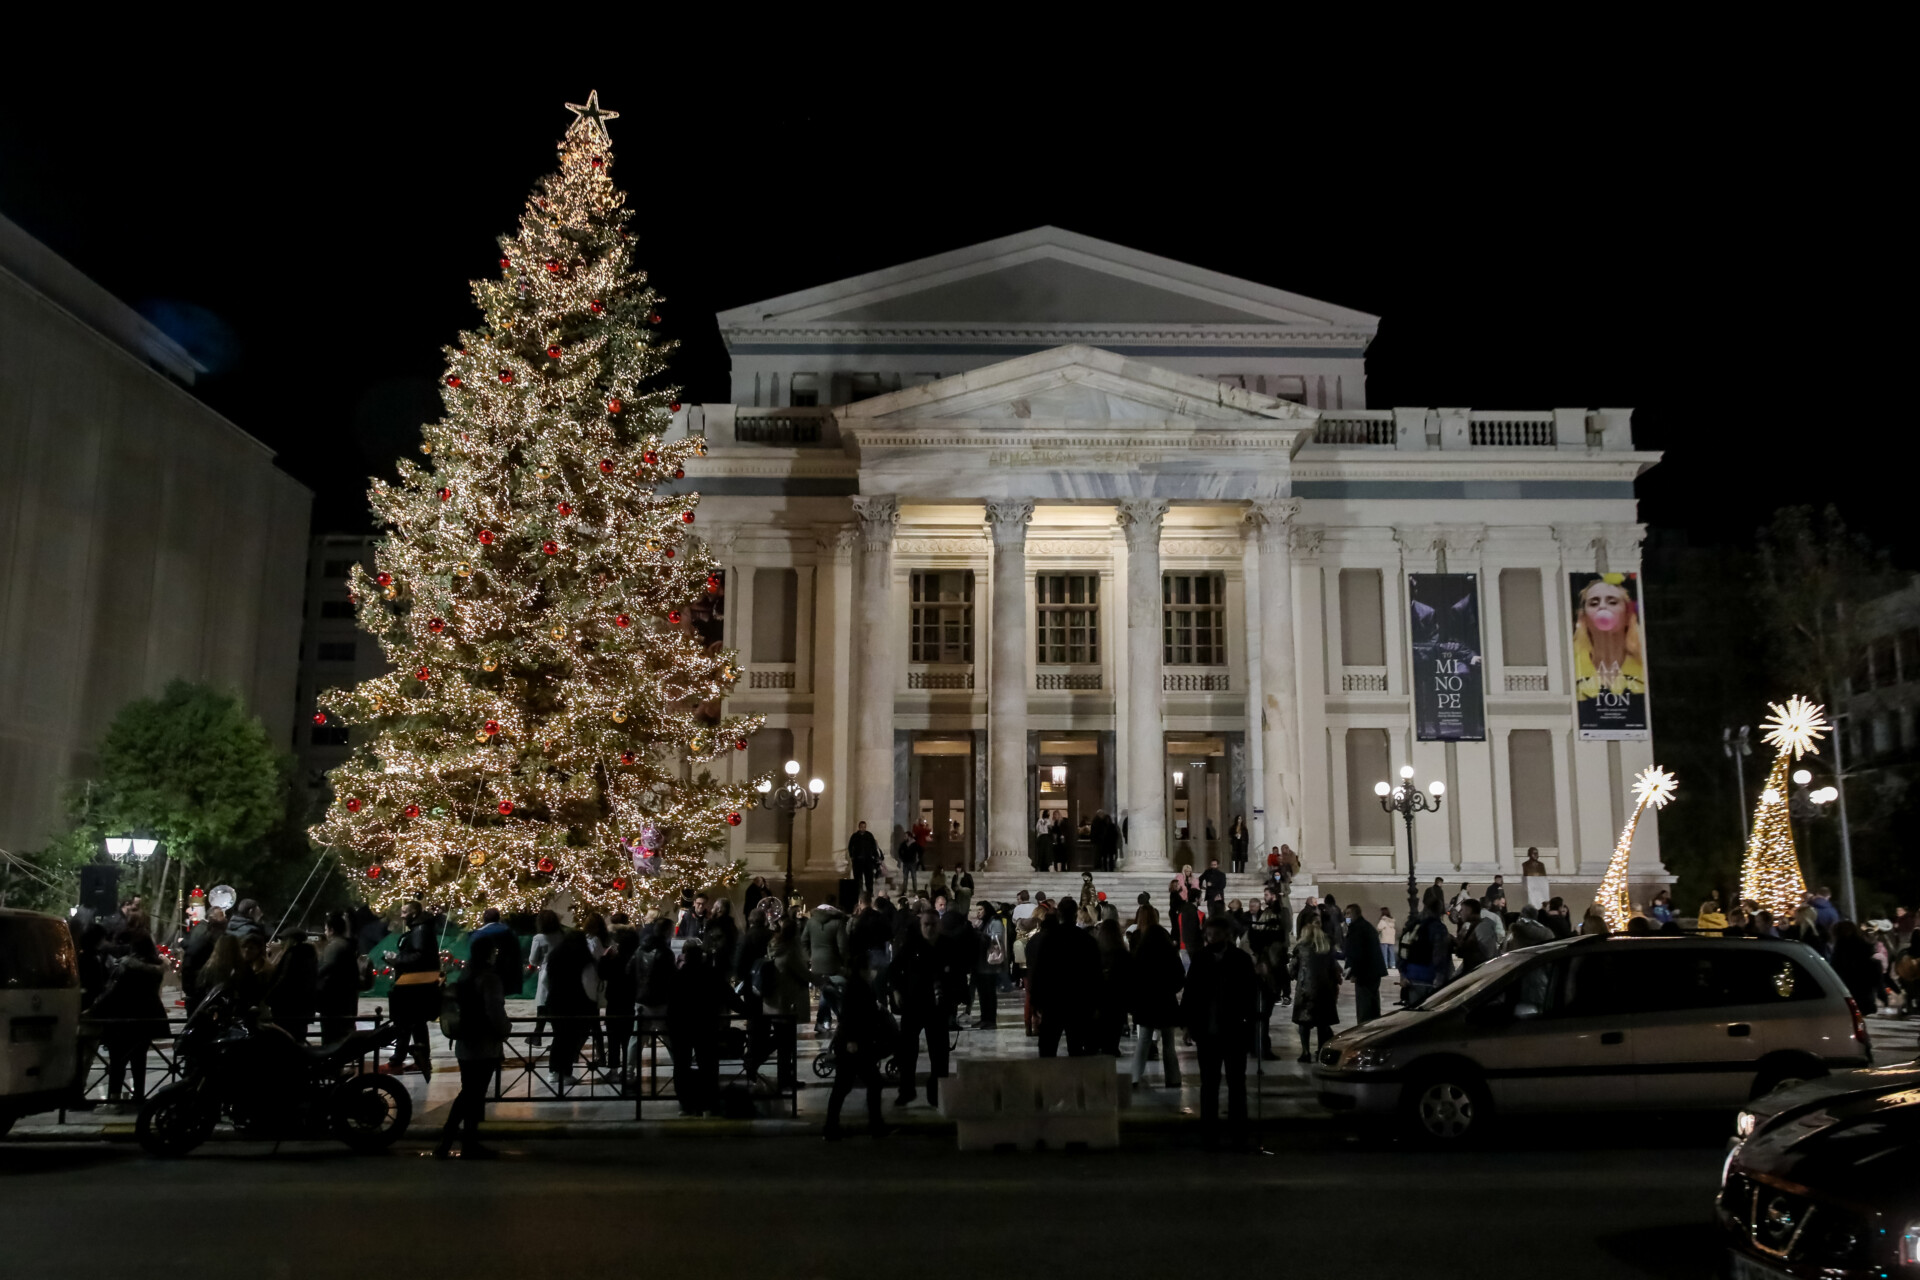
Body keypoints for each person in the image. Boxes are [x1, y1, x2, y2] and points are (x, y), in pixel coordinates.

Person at [1184, 916, 1258, 1148]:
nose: (1210, 939)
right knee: (1209, 1083)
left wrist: (1250, 1024)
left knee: (1237, 1084)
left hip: (1234, 1029)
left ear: (1226, 935)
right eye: (1208, 935)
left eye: (1215, 935)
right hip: (1207, 1030)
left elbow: (1250, 994)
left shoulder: (1241, 959)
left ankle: (1238, 1132)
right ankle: (1209, 1132)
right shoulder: (1201, 958)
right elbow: (1191, 992)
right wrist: (1188, 1024)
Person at [436, 933, 510, 1159]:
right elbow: (494, 1010)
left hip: (465, 1040)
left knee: (470, 1091)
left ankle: (462, 1139)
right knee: (472, 1093)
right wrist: (505, 1029)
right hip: (484, 1040)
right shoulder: (489, 979)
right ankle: (456, 1140)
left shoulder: (466, 975)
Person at [92, 930, 168, 1106]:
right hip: (147, 1017)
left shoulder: (125, 967)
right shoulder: (156, 968)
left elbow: (111, 992)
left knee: (118, 1060)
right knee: (139, 1059)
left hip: (123, 1016)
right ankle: (138, 1096)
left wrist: (94, 1009)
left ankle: (114, 1097)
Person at [822, 953, 893, 1141]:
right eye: (871, 968)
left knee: (844, 1086)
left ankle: (832, 1127)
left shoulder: (858, 985)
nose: (874, 972)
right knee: (871, 1083)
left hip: (854, 1043)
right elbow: (850, 1015)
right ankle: (875, 1127)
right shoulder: (857, 987)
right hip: (854, 1045)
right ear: (863, 969)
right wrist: (851, 1040)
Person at [1027, 902, 1099, 1057]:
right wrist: (1095, 1003)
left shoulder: (1049, 939)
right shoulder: (1087, 940)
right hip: (1078, 1001)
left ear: (1059, 915)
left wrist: (1035, 1000)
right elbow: (1095, 974)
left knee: (1047, 1048)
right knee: (1076, 1048)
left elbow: (1040, 971)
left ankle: (1047, 1080)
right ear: (1075, 915)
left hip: (1054, 1001)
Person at [891, 908, 946, 1106]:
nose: (929, 928)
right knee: (907, 1053)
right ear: (920, 925)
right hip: (913, 1005)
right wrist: (897, 991)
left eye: (933, 924)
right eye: (926, 925)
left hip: (937, 1008)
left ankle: (936, 1094)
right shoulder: (912, 944)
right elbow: (893, 970)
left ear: (939, 925)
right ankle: (906, 1090)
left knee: (939, 1055)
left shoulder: (946, 945)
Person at [1128, 906, 1184, 1087]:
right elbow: (1178, 974)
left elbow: (1134, 973)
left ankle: (1135, 1077)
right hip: (1165, 997)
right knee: (1169, 1043)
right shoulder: (1166, 944)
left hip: (1146, 998)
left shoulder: (1138, 942)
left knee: (1144, 1040)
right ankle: (1173, 1078)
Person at [383, 902, 440, 1079]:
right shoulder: (420, 928)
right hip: (415, 985)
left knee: (411, 1022)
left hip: (415, 985)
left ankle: (410, 1058)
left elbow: (419, 956)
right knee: (410, 1023)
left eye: (405, 912)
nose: (402, 915)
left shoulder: (420, 930)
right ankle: (404, 1058)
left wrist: (397, 959)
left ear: (414, 913)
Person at [1289, 915, 1342, 1061]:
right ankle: (1321, 1051)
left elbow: (1293, 970)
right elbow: (1333, 969)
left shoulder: (1300, 948)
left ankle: (1305, 1052)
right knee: (1323, 1024)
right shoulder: (1327, 948)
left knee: (1303, 1023)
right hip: (1324, 990)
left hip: (1305, 991)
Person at [315, 913, 363, 1044]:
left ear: (331, 930)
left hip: (334, 999)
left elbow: (326, 968)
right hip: (346, 997)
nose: (325, 933)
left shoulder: (335, 946)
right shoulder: (347, 945)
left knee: (331, 1034)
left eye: (326, 929)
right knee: (343, 1032)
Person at [803, 900, 849, 1032]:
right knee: (829, 992)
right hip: (833, 962)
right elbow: (842, 946)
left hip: (816, 963)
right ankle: (830, 1020)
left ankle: (826, 1020)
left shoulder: (811, 922)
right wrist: (844, 961)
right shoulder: (837, 923)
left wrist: (810, 956)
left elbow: (803, 940)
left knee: (826, 991)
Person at [267, 929, 318, 1043]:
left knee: (285, 1039)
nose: (281, 942)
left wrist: (269, 996)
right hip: (303, 1007)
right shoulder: (310, 955)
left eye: (283, 939)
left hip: (287, 1006)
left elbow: (283, 979)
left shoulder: (292, 954)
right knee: (299, 1038)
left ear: (291, 940)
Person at [1091, 919, 1131, 1056]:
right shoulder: (1123, 954)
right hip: (1117, 999)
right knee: (1114, 1033)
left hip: (1098, 998)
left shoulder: (1095, 952)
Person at [179, 907, 227, 1014]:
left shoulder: (201, 929)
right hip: (197, 983)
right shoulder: (206, 933)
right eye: (222, 915)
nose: (225, 918)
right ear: (212, 918)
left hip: (194, 981)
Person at [1342, 904, 1385, 1024]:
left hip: (1365, 972)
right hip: (1373, 971)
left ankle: (1364, 1028)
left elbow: (1356, 953)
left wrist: (1354, 972)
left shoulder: (1356, 929)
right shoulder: (1365, 926)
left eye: (1348, 914)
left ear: (1355, 913)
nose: (1346, 917)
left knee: (1364, 1005)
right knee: (1372, 1002)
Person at [970, 902, 1004, 1029]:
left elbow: (996, 939)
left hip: (989, 964)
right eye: (977, 909)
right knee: (982, 993)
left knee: (989, 992)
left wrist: (979, 934)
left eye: (980, 909)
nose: (978, 912)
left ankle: (990, 1020)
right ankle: (984, 1018)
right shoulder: (984, 922)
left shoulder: (995, 922)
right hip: (980, 963)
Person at [1455, 899, 1499, 973]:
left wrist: (1465, 951)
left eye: (1462, 909)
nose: (1460, 912)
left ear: (1469, 910)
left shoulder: (1483, 928)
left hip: (1481, 974)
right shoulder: (1473, 926)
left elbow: (1489, 955)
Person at [848, 822, 881, 897]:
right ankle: (859, 892)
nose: (863, 828)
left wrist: (876, 856)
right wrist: (852, 856)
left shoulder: (869, 835)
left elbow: (873, 847)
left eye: (864, 827)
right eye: (862, 827)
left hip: (868, 860)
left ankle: (869, 892)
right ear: (859, 827)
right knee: (858, 878)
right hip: (857, 860)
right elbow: (850, 847)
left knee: (869, 877)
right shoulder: (855, 836)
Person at [1375, 909, 1398, 976]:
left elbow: (1378, 928)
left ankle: (1385, 965)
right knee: (1391, 952)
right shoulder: (1392, 921)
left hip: (1384, 938)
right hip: (1391, 939)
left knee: (1384, 952)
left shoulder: (1383, 920)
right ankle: (1392, 964)